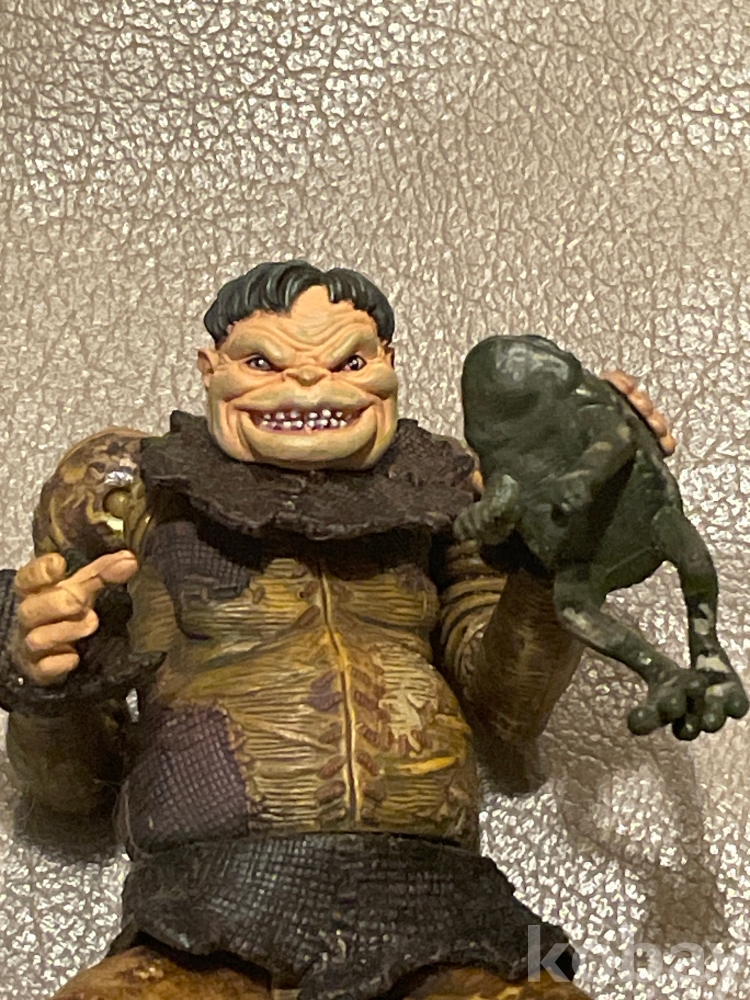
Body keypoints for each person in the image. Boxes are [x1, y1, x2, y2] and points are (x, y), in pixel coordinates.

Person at [0, 261, 675, 1000]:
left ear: (390, 364)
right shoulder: (129, 491)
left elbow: (507, 712)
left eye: (350, 362)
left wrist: (566, 537)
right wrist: (43, 683)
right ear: (209, 368)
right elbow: (74, 792)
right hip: (207, 896)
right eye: (263, 363)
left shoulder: (451, 488)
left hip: (439, 890)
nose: (309, 387)